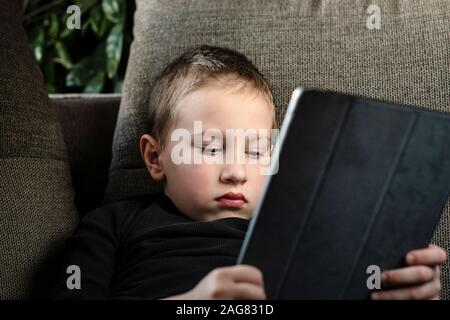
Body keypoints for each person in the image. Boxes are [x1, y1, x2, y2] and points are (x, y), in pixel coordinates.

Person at [51, 45, 446, 300]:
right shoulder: (114, 224)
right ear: (155, 158)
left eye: (257, 150)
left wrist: (400, 288)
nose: (236, 172)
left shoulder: (302, 228)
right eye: (209, 147)